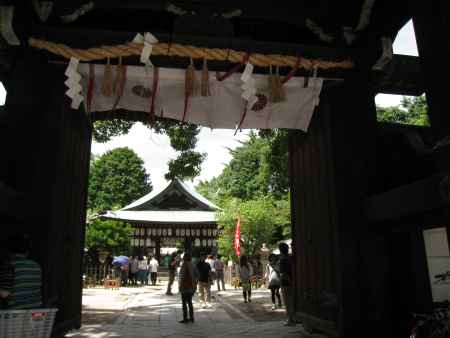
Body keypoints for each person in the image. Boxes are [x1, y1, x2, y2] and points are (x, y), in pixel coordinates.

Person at [2, 234, 42, 309]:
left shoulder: (9, 266)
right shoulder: (36, 265)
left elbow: (4, 294)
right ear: (27, 251)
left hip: (15, 313)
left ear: (8, 251)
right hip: (35, 311)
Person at [178, 252, 198, 323]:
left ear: (185, 258)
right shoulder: (193, 265)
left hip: (184, 286)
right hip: (191, 286)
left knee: (184, 303)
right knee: (189, 302)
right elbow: (197, 275)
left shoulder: (184, 265)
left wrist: (179, 286)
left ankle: (185, 318)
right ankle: (191, 317)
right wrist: (195, 284)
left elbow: (181, 276)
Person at [279, 242, 295, 326]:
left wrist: (289, 282)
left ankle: (290, 320)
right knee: (291, 301)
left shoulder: (282, 260)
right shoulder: (290, 258)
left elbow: (283, 274)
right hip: (291, 281)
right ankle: (292, 318)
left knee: (287, 302)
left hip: (285, 283)